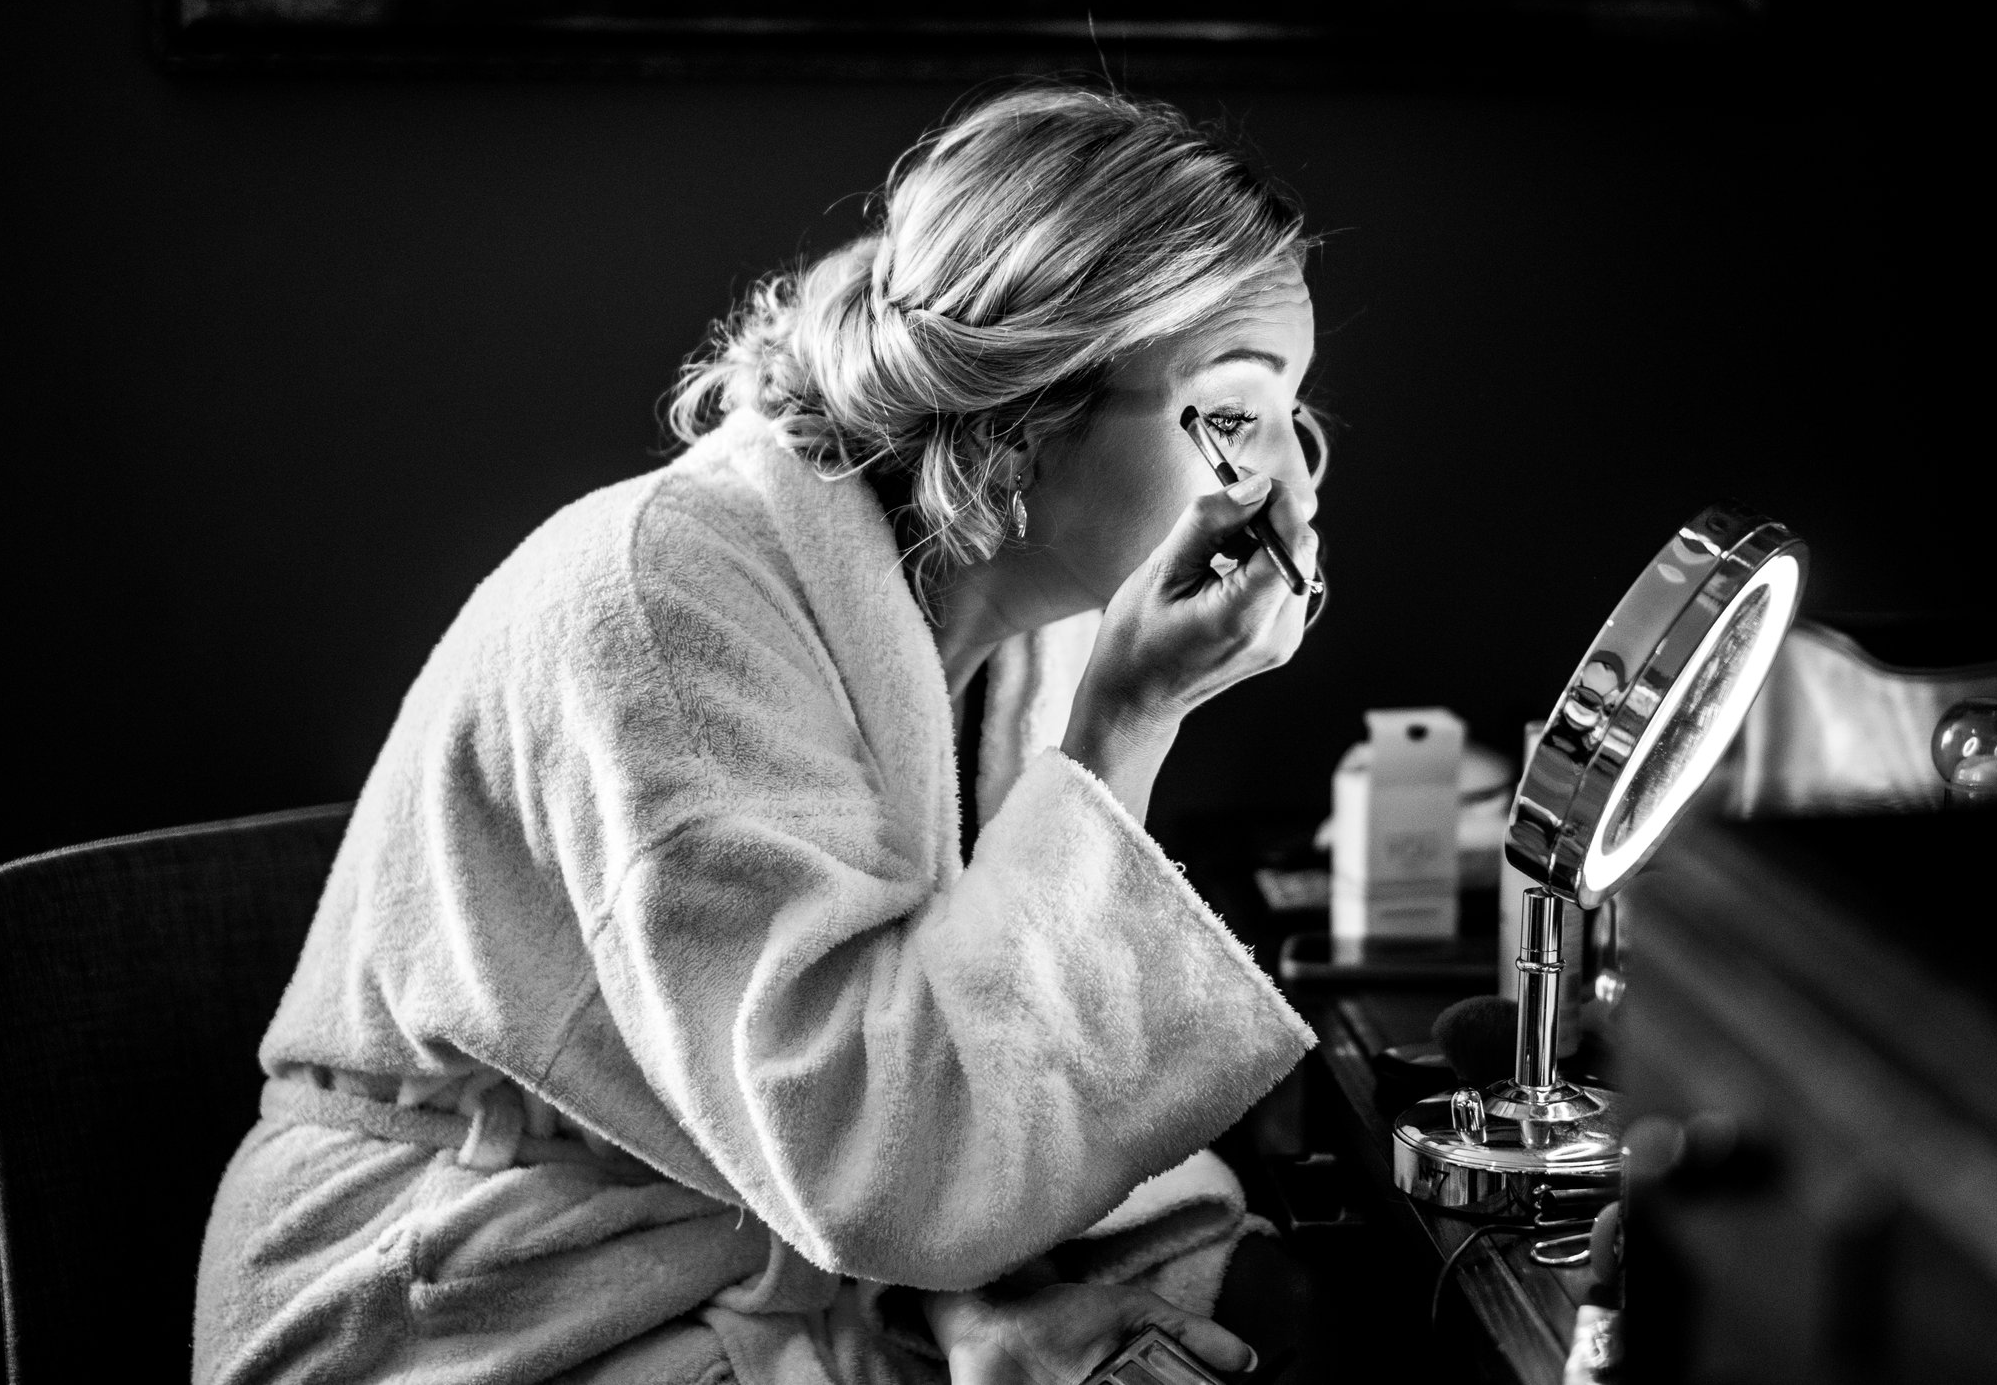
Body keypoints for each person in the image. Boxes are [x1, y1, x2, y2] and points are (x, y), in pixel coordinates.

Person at [194, 84, 1329, 1385]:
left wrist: (965, 1308)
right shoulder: (666, 598)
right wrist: (1127, 726)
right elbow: (867, 1154)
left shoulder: (1020, 628)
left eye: (1299, 419)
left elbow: (946, 1101)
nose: (1282, 485)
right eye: (1233, 416)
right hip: (469, 1289)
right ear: (1023, 422)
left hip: (749, 1235)